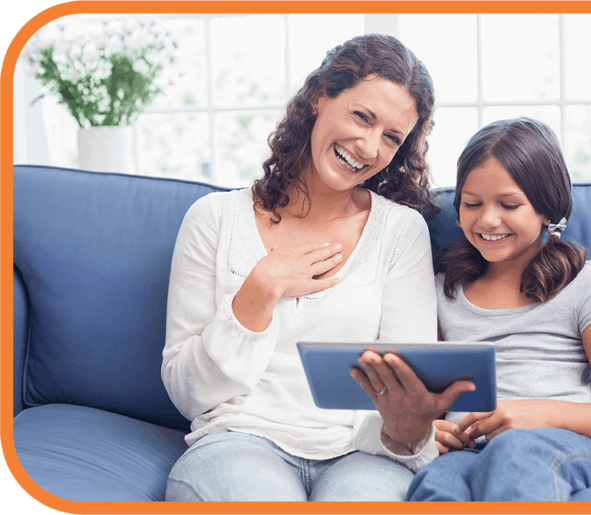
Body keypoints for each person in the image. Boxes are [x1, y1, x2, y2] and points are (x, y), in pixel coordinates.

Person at [161, 33, 472, 502]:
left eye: (391, 137)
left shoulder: (400, 232)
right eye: (361, 117)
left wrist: (409, 427)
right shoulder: (214, 220)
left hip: (365, 453)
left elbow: (404, 382)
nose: (368, 147)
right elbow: (189, 394)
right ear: (318, 99)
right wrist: (258, 293)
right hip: (240, 441)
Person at [406, 118, 591, 502]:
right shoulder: (440, 291)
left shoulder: (583, 285)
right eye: (472, 204)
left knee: (513, 453)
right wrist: (428, 430)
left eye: (509, 204)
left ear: (547, 210)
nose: (487, 219)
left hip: (556, 443)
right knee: (436, 484)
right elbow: (429, 397)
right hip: (467, 450)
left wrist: (537, 414)